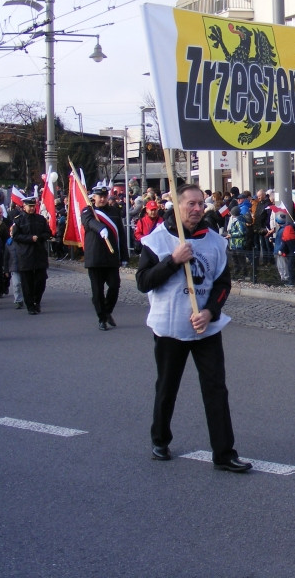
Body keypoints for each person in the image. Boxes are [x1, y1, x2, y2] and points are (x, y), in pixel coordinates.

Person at [135, 184, 250, 472]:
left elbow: (222, 285)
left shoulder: (215, 242)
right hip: (170, 327)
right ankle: (160, 439)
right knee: (167, 386)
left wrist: (210, 311)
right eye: (191, 204)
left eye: (201, 204)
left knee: (216, 389)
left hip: (205, 329)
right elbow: (143, 282)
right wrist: (173, 261)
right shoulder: (156, 240)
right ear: (177, 205)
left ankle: (224, 453)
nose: (198, 209)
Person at [82, 186, 125, 331]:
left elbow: (121, 233)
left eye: (105, 196)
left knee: (114, 285)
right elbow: (88, 222)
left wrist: (124, 255)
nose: (102, 199)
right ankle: (102, 318)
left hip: (111, 256)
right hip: (95, 257)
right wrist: (100, 228)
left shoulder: (114, 211)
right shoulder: (88, 211)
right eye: (99, 196)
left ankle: (107, 311)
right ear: (94, 197)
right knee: (97, 291)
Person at [10, 196, 52, 315]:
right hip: (25, 255)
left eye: (33, 206)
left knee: (41, 281)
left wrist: (40, 237)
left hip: (39, 254)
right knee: (27, 283)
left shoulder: (40, 219)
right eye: (30, 206)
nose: (32, 208)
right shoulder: (18, 220)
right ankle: (30, 306)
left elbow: (48, 233)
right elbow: (15, 236)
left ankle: (36, 301)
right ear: (24, 206)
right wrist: (29, 238)